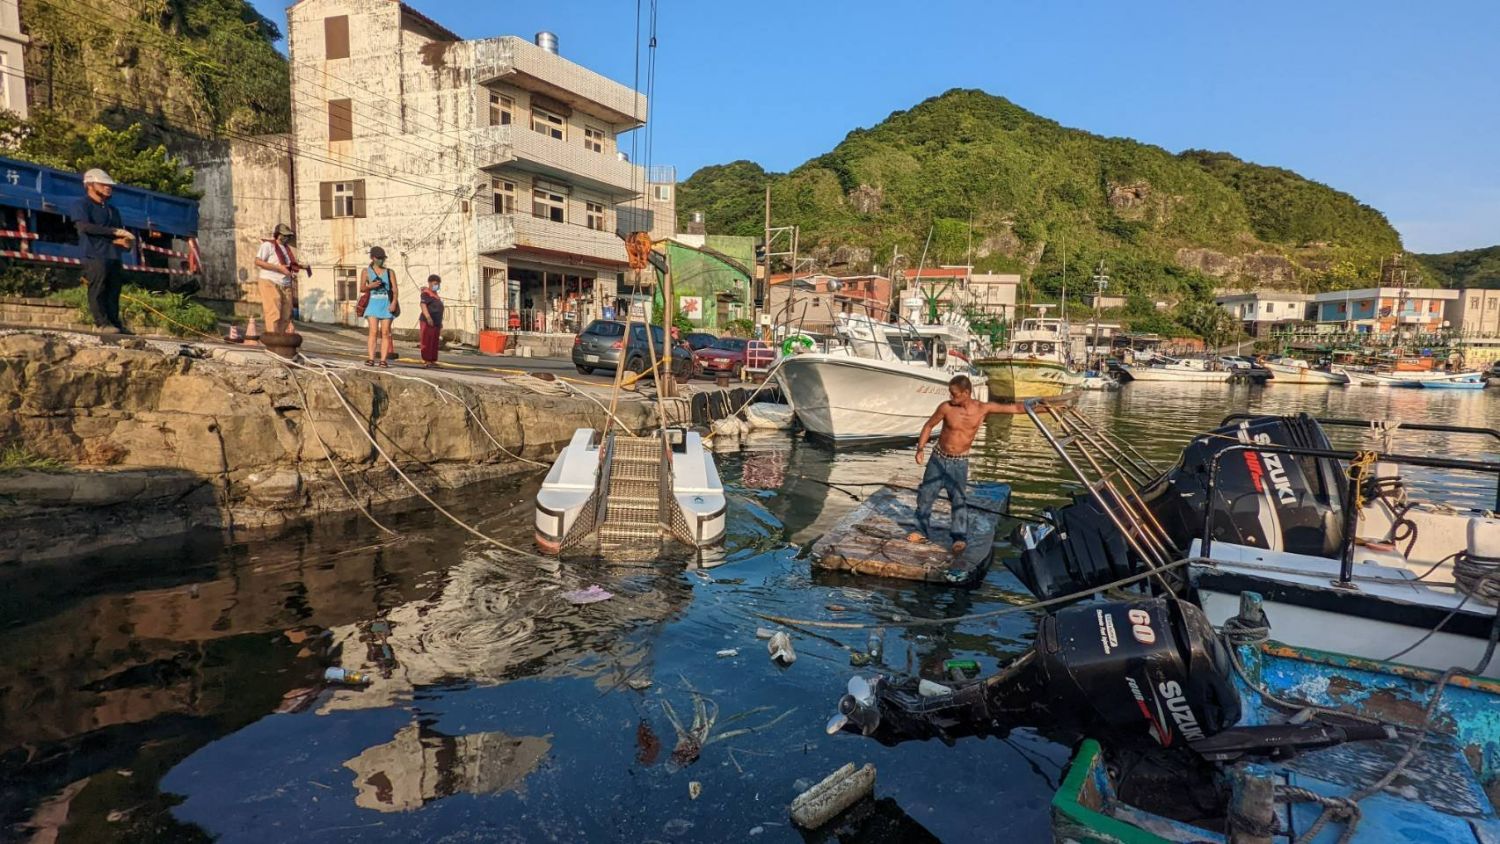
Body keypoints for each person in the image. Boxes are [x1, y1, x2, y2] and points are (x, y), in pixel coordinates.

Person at [910, 375, 1021, 553]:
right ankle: (919, 530)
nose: (951, 397)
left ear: (966, 393)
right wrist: (920, 448)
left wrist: (1044, 407)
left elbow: (1015, 408)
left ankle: (958, 537)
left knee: (959, 500)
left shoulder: (982, 408)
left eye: (954, 394)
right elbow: (929, 426)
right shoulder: (946, 407)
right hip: (938, 459)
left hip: (959, 462)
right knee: (926, 495)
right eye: (950, 393)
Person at [72, 169, 135, 334]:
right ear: (90, 185)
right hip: (94, 253)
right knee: (98, 288)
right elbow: (84, 227)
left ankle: (115, 322)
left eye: (109, 185)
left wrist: (123, 242)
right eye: (103, 184)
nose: (108, 187)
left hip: (113, 254)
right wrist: (115, 232)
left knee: (114, 289)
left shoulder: (112, 210)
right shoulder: (82, 204)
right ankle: (101, 323)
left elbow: (116, 232)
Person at [253, 223, 299, 334]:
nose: (286, 238)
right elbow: (258, 261)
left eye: (288, 236)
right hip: (269, 280)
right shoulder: (268, 245)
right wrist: (278, 268)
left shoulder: (286, 249)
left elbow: (286, 265)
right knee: (274, 310)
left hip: (285, 283)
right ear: (278, 235)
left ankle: (281, 338)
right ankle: (273, 337)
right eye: (284, 235)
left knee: (286, 313)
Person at [362, 246, 398, 367]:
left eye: (383, 258)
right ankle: (371, 358)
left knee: (385, 332)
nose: (382, 261)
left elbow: (395, 289)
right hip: (373, 304)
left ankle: (383, 360)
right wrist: (370, 285)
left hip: (386, 304)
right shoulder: (366, 271)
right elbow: (362, 288)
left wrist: (394, 303)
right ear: (373, 258)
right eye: (379, 258)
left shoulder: (390, 272)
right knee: (373, 331)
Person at [418, 273, 444, 368]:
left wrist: (440, 322)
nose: (436, 286)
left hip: (436, 322)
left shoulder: (436, 295)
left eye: (438, 284)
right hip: (428, 321)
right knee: (427, 340)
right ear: (429, 283)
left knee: (434, 342)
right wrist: (428, 317)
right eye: (435, 284)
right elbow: (423, 305)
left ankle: (432, 360)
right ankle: (427, 360)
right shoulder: (426, 293)